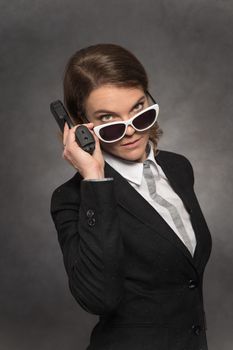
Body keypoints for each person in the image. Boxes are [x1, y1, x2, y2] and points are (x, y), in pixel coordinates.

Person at [50, 43, 212, 350]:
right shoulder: (71, 200)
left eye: (139, 110)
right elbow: (99, 297)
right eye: (109, 119)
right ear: (79, 125)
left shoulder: (178, 168)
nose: (130, 131)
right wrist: (95, 181)